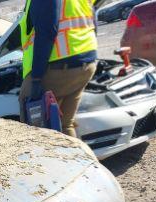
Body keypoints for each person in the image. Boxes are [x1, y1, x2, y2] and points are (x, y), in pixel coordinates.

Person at [18, 0, 98, 137]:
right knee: (65, 124)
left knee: (33, 125)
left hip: (58, 65)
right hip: (86, 61)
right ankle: (78, 158)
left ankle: (43, 156)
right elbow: (93, 19)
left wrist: (36, 78)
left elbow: (47, 31)